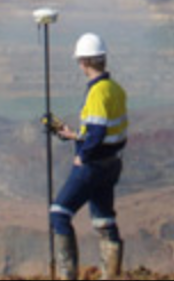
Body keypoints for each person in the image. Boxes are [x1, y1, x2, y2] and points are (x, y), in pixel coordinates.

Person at [49, 33, 128, 280]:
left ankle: (66, 276)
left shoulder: (97, 92)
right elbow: (108, 131)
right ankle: (110, 276)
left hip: (92, 166)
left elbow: (97, 131)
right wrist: (74, 136)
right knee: (104, 220)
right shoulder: (116, 89)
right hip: (112, 163)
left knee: (59, 214)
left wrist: (82, 155)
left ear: (84, 62)